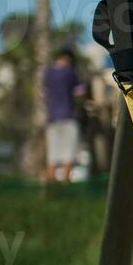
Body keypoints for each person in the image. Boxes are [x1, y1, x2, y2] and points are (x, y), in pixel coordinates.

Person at [43, 49, 87, 183]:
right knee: (69, 156)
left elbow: (43, 92)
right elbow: (80, 92)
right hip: (68, 118)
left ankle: (51, 190)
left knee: (52, 157)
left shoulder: (48, 73)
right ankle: (65, 188)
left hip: (52, 120)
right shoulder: (70, 72)